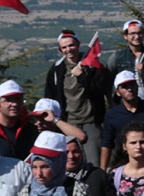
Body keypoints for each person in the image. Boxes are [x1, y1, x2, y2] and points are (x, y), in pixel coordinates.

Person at [43, 30, 110, 165]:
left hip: (91, 122)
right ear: (60, 50)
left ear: (78, 45)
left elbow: (101, 89)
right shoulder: (56, 70)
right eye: (64, 47)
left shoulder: (91, 65)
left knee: (93, 162)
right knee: (70, 163)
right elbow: (49, 96)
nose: (68, 50)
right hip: (68, 123)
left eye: (71, 45)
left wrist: (82, 76)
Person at [100, 71, 144, 169]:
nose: (129, 89)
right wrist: (102, 170)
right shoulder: (112, 115)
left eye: (132, 84)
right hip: (122, 163)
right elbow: (107, 143)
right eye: (124, 87)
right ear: (118, 92)